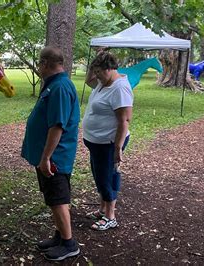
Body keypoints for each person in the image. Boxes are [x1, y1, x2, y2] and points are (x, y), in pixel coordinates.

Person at [21, 46, 80, 261]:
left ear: (45, 63)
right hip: (47, 157)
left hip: (56, 158)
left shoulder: (60, 88)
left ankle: (69, 244)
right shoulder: (53, 85)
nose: (38, 67)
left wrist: (46, 158)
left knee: (58, 199)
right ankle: (59, 236)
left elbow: (57, 126)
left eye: (39, 63)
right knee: (52, 198)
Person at [82, 51, 133, 231]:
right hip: (97, 143)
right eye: (94, 71)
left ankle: (111, 216)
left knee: (107, 177)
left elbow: (124, 120)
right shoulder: (103, 83)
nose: (96, 76)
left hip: (109, 143)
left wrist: (118, 148)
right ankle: (103, 209)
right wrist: (95, 59)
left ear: (110, 69)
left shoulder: (119, 88)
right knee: (99, 175)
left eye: (99, 72)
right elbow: (88, 81)